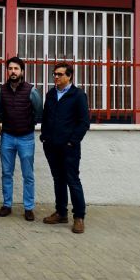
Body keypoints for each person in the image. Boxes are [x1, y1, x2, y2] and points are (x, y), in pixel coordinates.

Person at [41, 62, 90, 234]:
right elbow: (46, 118)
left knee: (72, 180)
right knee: (58, 179)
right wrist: (45, 138)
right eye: (54, 74)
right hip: (52, 146)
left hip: (69, 148)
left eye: (60, 74)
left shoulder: (78, 95)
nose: (56, 77)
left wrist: (72, 141)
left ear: (69, 76)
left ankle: (79, 216)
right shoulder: (51, 94)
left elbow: (84, 123)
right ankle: (61, 212)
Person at [0, 56, 43, 221]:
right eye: (10, 69)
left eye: (16, 69)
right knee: (6, 173)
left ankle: (28, 208)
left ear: (22, 71)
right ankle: (7, 204)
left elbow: (38, 112)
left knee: (28, 174)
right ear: (7, 71)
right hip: (7, 137)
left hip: (26, 138)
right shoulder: (2, 90)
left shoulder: (32, 90)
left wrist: (28, 125)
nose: (13, 71)